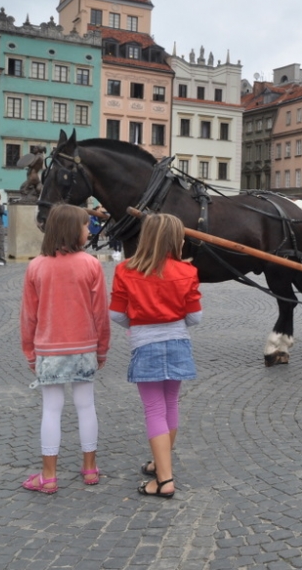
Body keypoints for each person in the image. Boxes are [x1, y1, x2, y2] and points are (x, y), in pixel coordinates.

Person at [19, 204, 110, 494]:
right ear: (74, 230)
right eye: (86, 226)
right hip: (84, 346)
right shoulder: (91, 264)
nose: (89, 230)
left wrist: (29, 352)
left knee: (51, 410)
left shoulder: (36, 266)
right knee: (86, 406)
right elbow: (101, 314)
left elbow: (28, 315)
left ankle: (49, 475)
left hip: (48, 348)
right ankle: (90, 467)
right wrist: (102, 350)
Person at [109, 213, 201, 499]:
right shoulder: (188, 272)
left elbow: (116, 314)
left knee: (153, 410)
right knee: (171, 403)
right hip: (178, 341)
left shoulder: (125, 269)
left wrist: (137, 323)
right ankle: (160, 464)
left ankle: (164, 479)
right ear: (176, 240)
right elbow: (195, 317)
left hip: (144, 343)